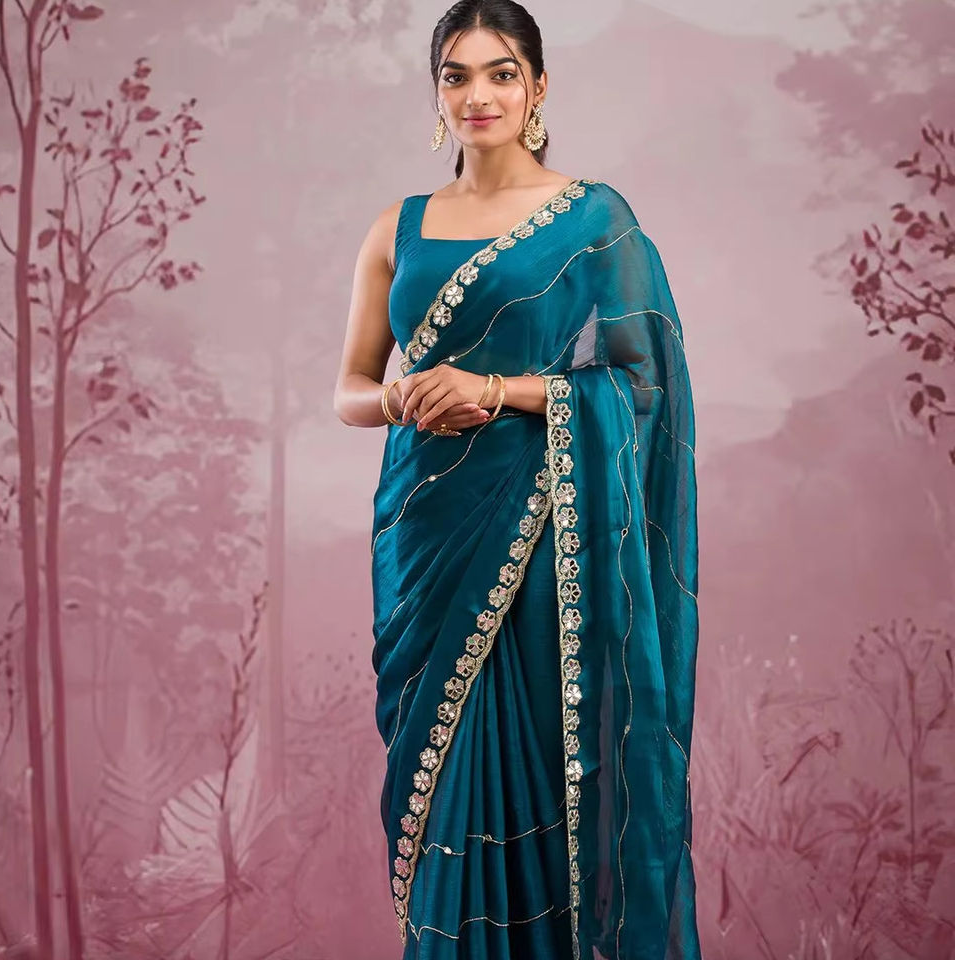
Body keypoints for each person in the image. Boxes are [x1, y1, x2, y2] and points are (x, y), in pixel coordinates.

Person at [333, 2, 701, 957]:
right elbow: (350, 391)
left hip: (547, 541)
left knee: (548, 772)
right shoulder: (397, 227)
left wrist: (492, 390)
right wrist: (407, 397)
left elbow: (642, 383)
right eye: (456, 75)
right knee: (437, 782)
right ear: (436, 94)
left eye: (501, 73)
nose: (478, 95)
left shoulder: (592, 219)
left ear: (538, 87)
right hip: (427, 531)